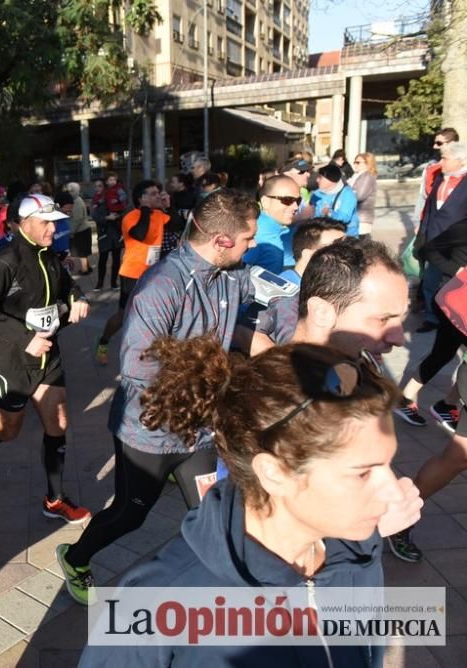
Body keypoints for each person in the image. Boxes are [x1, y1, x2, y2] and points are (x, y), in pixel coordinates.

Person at [79, 338, 421, 668]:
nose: (393, 491)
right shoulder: (152, 605)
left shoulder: (358, 551)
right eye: (363, 473)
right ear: (274, 474)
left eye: (389, 464)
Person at [56, 189, 259, 605]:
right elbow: (136, 368)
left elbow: (242, 322)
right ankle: (76, 557)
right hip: (149, 430)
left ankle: (220, 590)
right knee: (131, 513)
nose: (253, 245)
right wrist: (206, 385)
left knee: (210, 509)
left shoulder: (230, 275)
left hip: (200, 432)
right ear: (222, 240)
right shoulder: (162, 285)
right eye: (248, 239)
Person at [0, 193, 92, 522]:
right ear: (23, 224)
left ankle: (54, 499)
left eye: (55, 222)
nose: (53, 228)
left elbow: (67, 284)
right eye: (45, 222)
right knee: (9, 431)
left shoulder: (49, 255)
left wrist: (76, 298)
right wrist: (25, 339)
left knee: (59, 423)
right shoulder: (3, 262)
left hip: (47, 356)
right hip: (10, 361)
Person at [394, 142, 467, 431]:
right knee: (444, 351)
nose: (441, 160)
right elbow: (432, 248)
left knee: (447, 351)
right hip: (455, 297)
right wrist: (458, 270)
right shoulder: (463, 227)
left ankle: (444, 404)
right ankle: (437, 403)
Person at [237, 218, 349, 356]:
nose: (346, 257)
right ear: (308, 255)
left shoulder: (324, 292)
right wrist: (290, 370)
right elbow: (246, 334)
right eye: (335, 250)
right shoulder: (277, 291)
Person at [94, 180, 171, 365]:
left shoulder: (160, 215)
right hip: (133, 273)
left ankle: (147, 351)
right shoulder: (131, 216)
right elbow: (140, 234)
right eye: (152, 194)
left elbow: (177, 223)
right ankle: (103, 342)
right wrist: (145, 209)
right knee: (123, 315)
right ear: (141, 198)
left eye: (157, 193)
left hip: (154, 273)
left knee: (153, 313)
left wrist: (167, 205)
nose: (157, 196)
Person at [414, 128, 460, 333]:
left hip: (458, 245)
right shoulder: (438, 177)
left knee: (454, 285)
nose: (442, 162)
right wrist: (422, 231)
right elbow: (428, 207)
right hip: (434, 239)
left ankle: (453, 320)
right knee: (430, 281)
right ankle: (432, 318)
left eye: (446, 157)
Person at [242, 175, 302, 273]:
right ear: (265, 202)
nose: (295, 207)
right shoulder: (256, 234)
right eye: (287, 200)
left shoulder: (272, 229)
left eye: (298, 201)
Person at [308, 164, 359, 237]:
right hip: (321, 237)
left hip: (346, 239)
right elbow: (310, 215)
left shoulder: (348, 194)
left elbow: (344, 218)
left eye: (320, 177)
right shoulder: (316, 194)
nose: (317, 180)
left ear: (331, 180)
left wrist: (329, 213)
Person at [65, 182, 93, 274]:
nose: (68, 192)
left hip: (81, 230)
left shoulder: (76, 201)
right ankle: (87, 267)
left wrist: (71, 231)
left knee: (82, 252)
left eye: (70, 191)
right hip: (82, 229)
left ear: (75, 191)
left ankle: (84, 270)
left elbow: (77, 219)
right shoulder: (77, 199)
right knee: (83, 251)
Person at [351, 152, 378, 237]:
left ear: (367, 163)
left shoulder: (368, 176)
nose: (355, 164)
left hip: (362, 217)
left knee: (361, 244)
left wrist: (348, 194)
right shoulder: (356, 176)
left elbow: (360, 195)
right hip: (356, 216)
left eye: (358, 162)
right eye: (354, 162)